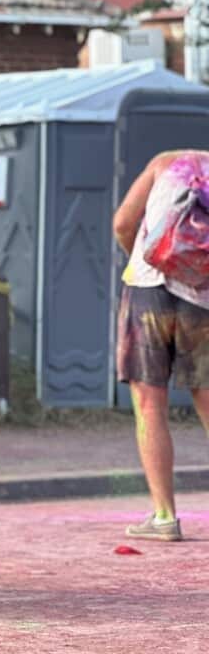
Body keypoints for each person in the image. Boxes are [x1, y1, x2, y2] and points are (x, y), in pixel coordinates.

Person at [112, 149, 209, 542]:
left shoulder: (166, 162)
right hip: (203, 297)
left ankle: (165, 515)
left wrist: (139, 257)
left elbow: (122, 222)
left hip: (147, 290)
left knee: (150, 403)